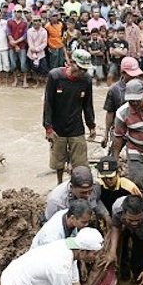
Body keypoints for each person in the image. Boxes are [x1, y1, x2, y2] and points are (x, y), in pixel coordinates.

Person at [43, 48, 96, 184]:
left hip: (76, 126)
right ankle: (59, 184)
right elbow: (48, 103)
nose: (83, 73)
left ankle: (76, 184)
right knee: (58, 162)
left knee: (80, 163)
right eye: (81, 69)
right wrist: (48, 128)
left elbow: (88, 105)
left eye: (85, 70)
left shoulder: (86, 80)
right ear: (71, 63)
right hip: (57, 126)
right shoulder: (55, 77)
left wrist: (91, 125)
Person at [106, 195, 143, 285]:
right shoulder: (117, 208)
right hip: (136, 235)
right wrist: (112, 251)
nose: (134, 223)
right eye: (131, 220)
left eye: (138, 220)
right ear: (123, 213)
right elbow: (116, 226)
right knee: (136, 264)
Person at [102, 56, 143, 149]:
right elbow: (110, 113)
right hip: (119, 127)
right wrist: (105, 134)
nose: (135, 77)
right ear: (123, 73)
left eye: (136, 75)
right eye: (132, 75)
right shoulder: (114, 90)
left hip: (137, 126)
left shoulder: (142, 86)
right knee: (114, 152)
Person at [45, 165, 110, 227]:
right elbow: (54, 226)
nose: (88, 195)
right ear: (72, 187)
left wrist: (106, 217)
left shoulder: (95, 186)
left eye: (90, 191)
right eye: (83, 193)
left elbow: (97, 201)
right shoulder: (57, 201)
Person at [7, 5, 29, 88]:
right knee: (13, 64)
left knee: (23, 64)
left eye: (20, 11)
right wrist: (15, 45)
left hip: (22, 46)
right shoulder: (9, 21)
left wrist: (15, 43)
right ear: (14, 12)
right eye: (16, 11)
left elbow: (25, 35)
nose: (18, 13)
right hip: (12, 46)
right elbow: (8, 34)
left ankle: (25, 80)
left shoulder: (24, 23)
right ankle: (15, 79)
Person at [27, 15, 49, 85]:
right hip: (31, 53)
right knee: (34, 69)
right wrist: (33, 50)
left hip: (41, 53)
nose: (36, 22)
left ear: (40, 22)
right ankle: (37, 82)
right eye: (34, 21)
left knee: (44, 68)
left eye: (37, 21)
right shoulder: (29, 31)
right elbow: (30, 43)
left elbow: (44, 43)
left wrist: (36, 49)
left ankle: (43, 82)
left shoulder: (44, 31)